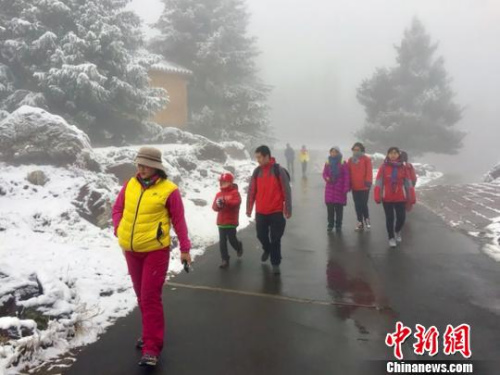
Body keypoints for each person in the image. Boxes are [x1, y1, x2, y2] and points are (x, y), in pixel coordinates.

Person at [112, 146, 191, 367]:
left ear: (155, 166)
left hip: (155, 251)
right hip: (131, 250)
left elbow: (179, 221)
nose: (140, 168)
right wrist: (119, 228)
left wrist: (185, 249)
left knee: (150, 297)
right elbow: (118, 208)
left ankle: (152, 347)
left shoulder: (169, 190)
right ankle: (149, 334)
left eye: (145, 164)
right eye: (139, 163)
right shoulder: (130, 184)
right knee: (140, 295)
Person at [247, 145, 292, 275]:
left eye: (260, 157)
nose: (258, 160)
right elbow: (251, 191)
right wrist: (249, 208)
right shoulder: (257, 172)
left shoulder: (278, 170)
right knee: (261, 235)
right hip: (261, 211)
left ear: (267, 156)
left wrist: (287, 208)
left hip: (276, 211)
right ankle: (267, 249)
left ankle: (275, 263)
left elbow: (286, 191)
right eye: (256, 157)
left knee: (276, 238)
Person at [374, 147, 416, 248]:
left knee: (401, 218)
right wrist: (377, 195)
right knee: (390, 218)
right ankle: (391, 237)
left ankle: (397, 230)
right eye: (391, 153)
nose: (393, 155)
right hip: (387, 197)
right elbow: (379, 182)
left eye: (395, 153)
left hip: (400, 197)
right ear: (388, 155)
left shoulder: (403, 167)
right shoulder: (383, 167)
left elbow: (408, 184)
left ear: (398, 155)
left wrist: (411, 197)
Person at [212, 173, 243, 269]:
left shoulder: (235, 193)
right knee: (222, 242)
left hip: (231, 222)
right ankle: (225, 259)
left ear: (230, 182)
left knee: (231, 239)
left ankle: (238, 246)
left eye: (225, 182)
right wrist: (218, 205)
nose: (222, 184)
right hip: (221, 222)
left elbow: (236, 203)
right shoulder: (218, 194)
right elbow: (214, 207)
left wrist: (225, 202)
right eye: (221, 182)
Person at [322, 147, 350, 233]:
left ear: (338, 153)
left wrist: (346, 188)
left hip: (340, 190)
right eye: (332, 152)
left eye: (335, 152)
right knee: (330, 209)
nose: (333, 153)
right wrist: (327, 178)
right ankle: (330, 224)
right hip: (330, 190)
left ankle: (338, 225)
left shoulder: (343, 163)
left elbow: (346, 176)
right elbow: (324, 173)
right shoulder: (327, 163)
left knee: (339, 210)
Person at [348, 142, 373, 231]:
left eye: (357, 150)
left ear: (362, 150)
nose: (355, 151)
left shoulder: (366, 159)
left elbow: (369, 171)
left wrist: (368, 181)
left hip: (364, 186)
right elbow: (348, 172)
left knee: (363, 204)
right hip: (355, 186)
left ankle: (366, 218)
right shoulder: (350, 160)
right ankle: (360, 222)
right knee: (357, 205)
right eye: (354, 150)